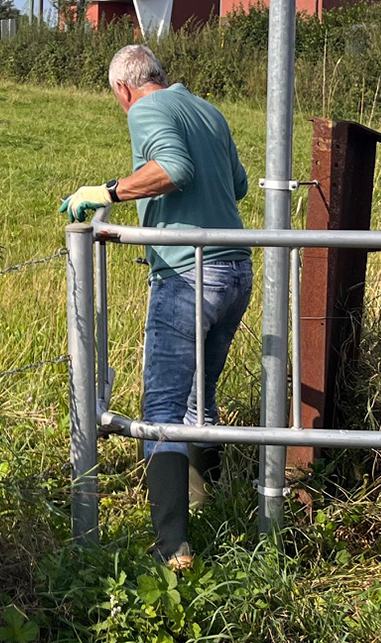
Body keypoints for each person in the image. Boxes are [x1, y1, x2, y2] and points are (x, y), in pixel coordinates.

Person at [61, 44, 251, 570]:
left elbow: (174, 168)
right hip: (236, 269)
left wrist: (109, 191)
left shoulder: (146, 108)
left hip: (188, 272)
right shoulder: (207, 110)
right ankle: (206, 505)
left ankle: (172, 548)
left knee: (163, 407)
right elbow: (235, 183)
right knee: (198, 398)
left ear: (123, 89)